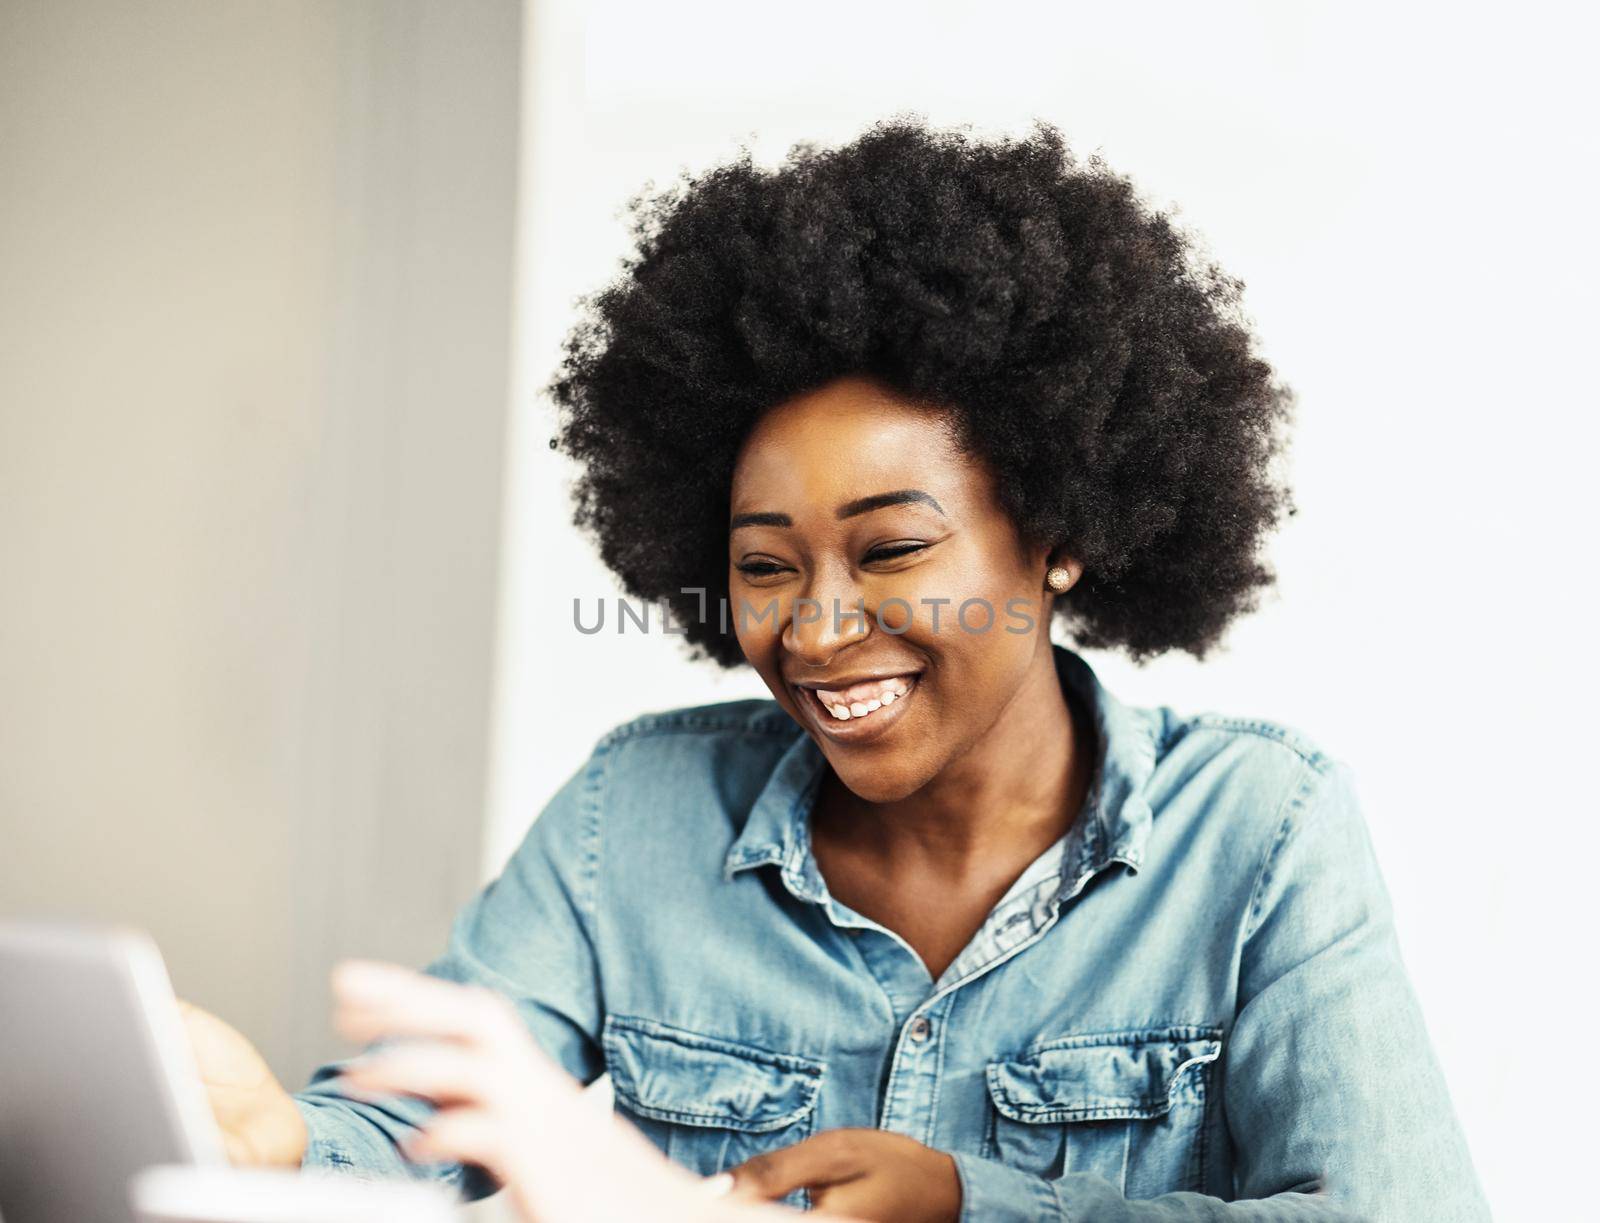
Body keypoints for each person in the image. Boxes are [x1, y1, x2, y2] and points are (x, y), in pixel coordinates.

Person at [182, 117, 1490, 1220]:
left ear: (1061, 537)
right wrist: (276, 1142)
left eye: (892, 550)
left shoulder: (1259, 837)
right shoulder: (630, 820)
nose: (814, 630)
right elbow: (418, 1121)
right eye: (764, 566)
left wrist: (971, 1202)